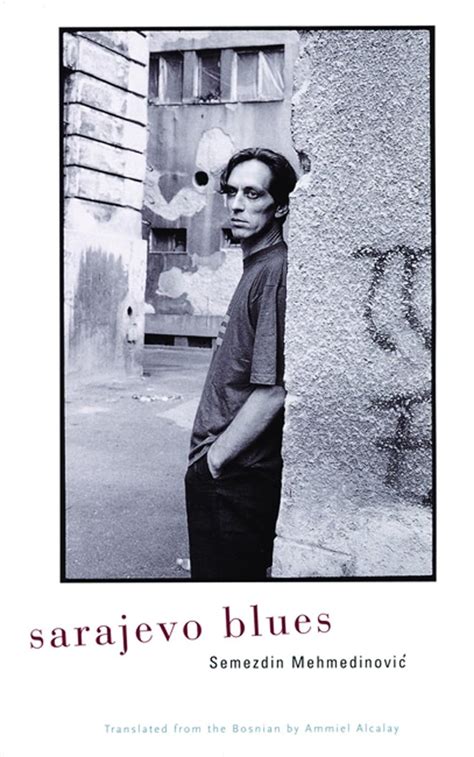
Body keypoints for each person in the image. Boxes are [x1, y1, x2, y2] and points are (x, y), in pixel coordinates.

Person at [185, 147, 298, 580]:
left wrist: (213, 463)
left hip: (234, 478)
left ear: (280, 206)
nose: (236, 204)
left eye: (253, 194)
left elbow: (274, 390)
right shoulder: (257, 265)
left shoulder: (273, 271)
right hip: (224, 474)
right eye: (231, 192)